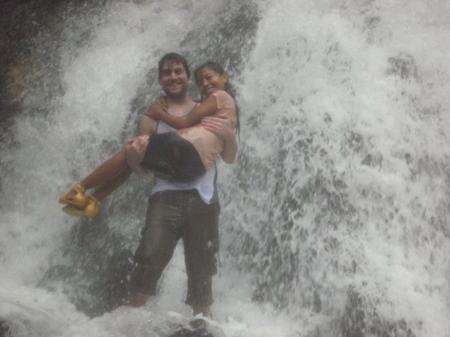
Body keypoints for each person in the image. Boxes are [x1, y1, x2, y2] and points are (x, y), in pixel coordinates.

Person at [60, 53, 238, 317]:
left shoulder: (205, 106)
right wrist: (134, 158)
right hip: (164, 196)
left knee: (202, 273)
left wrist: (228, 135)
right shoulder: (151, 117)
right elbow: (142, 169)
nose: (174, 76)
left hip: (203, 198)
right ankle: (130, 324)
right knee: (147, 263)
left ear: (188, 77)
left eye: (179, 71)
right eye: (167, 73)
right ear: (160, 80)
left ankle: (203, 327)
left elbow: (229, 157)